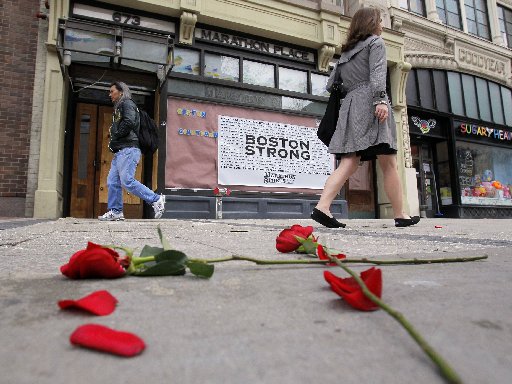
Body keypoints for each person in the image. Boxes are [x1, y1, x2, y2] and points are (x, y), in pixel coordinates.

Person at [311, 7, 419, 228]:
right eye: (380, 21)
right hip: (371, 102)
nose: (382, 25)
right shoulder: (375, 43)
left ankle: (322, 206)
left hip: (351, 106)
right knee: (388, 161)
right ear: (371, 23)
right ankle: (400, 214)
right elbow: (378, 73)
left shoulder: (346, 53)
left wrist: (352, 88)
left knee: (349, 161)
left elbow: (331, 84)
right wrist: (380, 99)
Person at [98, 81, 166, 221]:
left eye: (112, 91)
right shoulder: (119, 108)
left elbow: (129, 122)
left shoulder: (127, 103)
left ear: (121, 92)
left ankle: (156, 199)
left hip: (128, 149)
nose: (109, 94)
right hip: (120, 151)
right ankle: (116, 211)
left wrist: (116, 134)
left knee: (127, 181)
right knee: (112, 182)